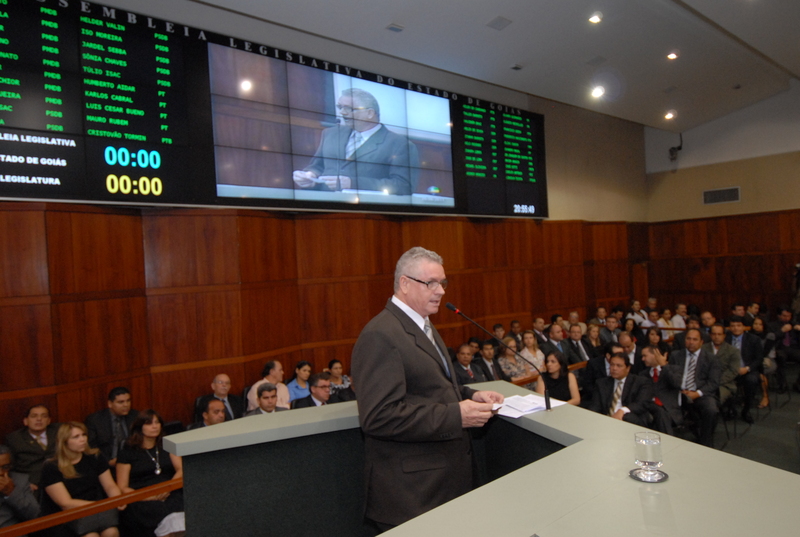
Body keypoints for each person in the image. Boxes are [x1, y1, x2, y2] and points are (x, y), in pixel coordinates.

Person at [351, 246, 503, 530]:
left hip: (443, 485)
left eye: (442, 282)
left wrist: (471, 395)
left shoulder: (424, 325)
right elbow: (379, 417)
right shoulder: (380, 334)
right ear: (404, 283)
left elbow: (430, 387)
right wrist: (456, 415)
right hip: (413, 495)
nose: (441, 291)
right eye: (430, 283)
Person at [292, 87, 418, 195]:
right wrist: (310, 175)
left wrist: (352, 183)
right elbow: (317, 166)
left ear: (370, 113)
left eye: (349, 109)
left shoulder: (399, 144)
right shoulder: (330, 134)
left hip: (365, 210)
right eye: (340, 107)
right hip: (322, 206)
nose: (342, 112)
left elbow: (403, 186)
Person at [40, 422, 124, 537]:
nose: (83, 439)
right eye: (76, 437)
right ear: (64, 442)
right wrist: (98, 506)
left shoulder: (95, 457)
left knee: (112, 532)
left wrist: (117, 499)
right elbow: (65, 503)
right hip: (67, 516)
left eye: (84, 435)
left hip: (96, 511)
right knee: (91, 536)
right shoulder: (51, 466)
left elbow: (110, 486)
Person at [115, 410, 185, 537]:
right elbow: (122, 487)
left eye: (157, 422)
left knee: (183, 511)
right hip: (142, 498)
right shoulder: (127, 452)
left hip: (169, 492)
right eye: (149, 423)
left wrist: (168, 487)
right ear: (139, 427)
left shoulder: (167, 444)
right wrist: (147, 496)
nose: (155, 426)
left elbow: (181, 470)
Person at [669, 328, 721, 448]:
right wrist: (679, 389)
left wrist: (697, 393)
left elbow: (713, 382)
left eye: (695, 339)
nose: (691, 342)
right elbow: (670, 377)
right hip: (679, 393)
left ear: (701, 342)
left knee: (711, 410)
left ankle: (705, 442)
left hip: (701, 393)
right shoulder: (676, 355)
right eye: (688, 339)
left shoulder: (711, 358)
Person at [5, 404, 59, 491]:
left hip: (60, 477)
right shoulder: (14, 439)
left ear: (49, 421)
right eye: (34, 416)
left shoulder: (58, 432)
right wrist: (22, 483)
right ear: (26, 421)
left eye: (44, 416)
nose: (39, 419)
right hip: (32, 483)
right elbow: (9, 467)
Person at [588, 353, 653, 426]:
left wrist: (622, 410)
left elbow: (642, 403)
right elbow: (595, 406)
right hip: (606, 419)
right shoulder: (601, 383)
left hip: (629, 419)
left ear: (628, 368)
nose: (614, 368)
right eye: (612, 365)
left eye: (619, 366)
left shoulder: (640, 382)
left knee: (628, 417)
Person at [86, 387, 138, 468]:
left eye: (128, 401)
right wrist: (108, 461)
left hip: (131, 462)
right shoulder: (95, 420)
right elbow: (91, 446)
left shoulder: (135, 416)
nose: (126, 405)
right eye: (121, 402)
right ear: (110, 404)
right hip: (105, 464)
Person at [725, 315, 762, 423]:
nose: (736, 328)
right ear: (729, 327)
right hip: (729, 370)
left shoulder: (754, 339)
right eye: (733, 326)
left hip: (747, 370)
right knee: (722, 380)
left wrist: (747, 368)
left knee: (751, 380)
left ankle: (746, 410)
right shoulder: (725, 338)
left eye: (738, 325)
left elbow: (759, 359)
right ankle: (730, 409)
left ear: (744, 327)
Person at [639, 346, 684, 435]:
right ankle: (669, 441)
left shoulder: (674, 369)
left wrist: (664, 366)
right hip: (649, 407)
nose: (642, 359)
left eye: (645, 356)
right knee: (659, 412)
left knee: (661, 415)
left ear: (655, 355)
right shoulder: (643, 374)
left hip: (669, 409)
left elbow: (677, 384)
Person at [0, 444, 40, 531]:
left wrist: (11, 492)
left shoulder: (20, 481)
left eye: (5, 467)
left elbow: (35, 515)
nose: (1, 472)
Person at [750, 316, 775, 409]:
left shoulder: (770, 335)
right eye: (755, 324)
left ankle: (765, 396)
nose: (757, 326)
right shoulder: (748, 335)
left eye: (760, 324)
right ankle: (749, 398)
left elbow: (765, 352)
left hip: (767, 360)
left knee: (761, 372)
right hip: (753, 360)